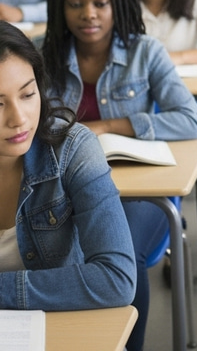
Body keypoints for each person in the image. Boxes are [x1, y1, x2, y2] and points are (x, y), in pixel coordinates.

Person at [41, 0, 197, 351]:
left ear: (119, 2)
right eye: (75, 4)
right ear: (60, 6)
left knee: (121, 252)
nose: (88, 14)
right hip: (60, 190)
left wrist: (111, 126)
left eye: (100, 3)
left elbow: (190, 120)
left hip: (138, 193)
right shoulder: (40, 56)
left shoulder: (146, 51)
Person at [0, 21, 135, 310]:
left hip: (59, 326)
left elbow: (116, 279)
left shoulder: (72, 148)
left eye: (27, 94)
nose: (19, 118)